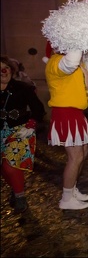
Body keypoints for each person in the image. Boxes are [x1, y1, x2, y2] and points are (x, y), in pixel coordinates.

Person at [45, 49, 88, 210]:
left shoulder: (75, 64)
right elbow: (70, 63)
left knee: (83, 152)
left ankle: (72, 189)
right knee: (75, 156)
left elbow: (85, 67)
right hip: (66, 112)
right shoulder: (56, 61)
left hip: (76, 113)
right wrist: (77, 39)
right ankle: (66, 199)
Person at [1, 55, 45, 214]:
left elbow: (39, 110)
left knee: (10, 165)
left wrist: (31, 125)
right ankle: (15, 187)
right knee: (3, 168)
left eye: (5, 68)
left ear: (11, 71)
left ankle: (20, 197)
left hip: (19, 130)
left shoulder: (23, 88)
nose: (2, 72)